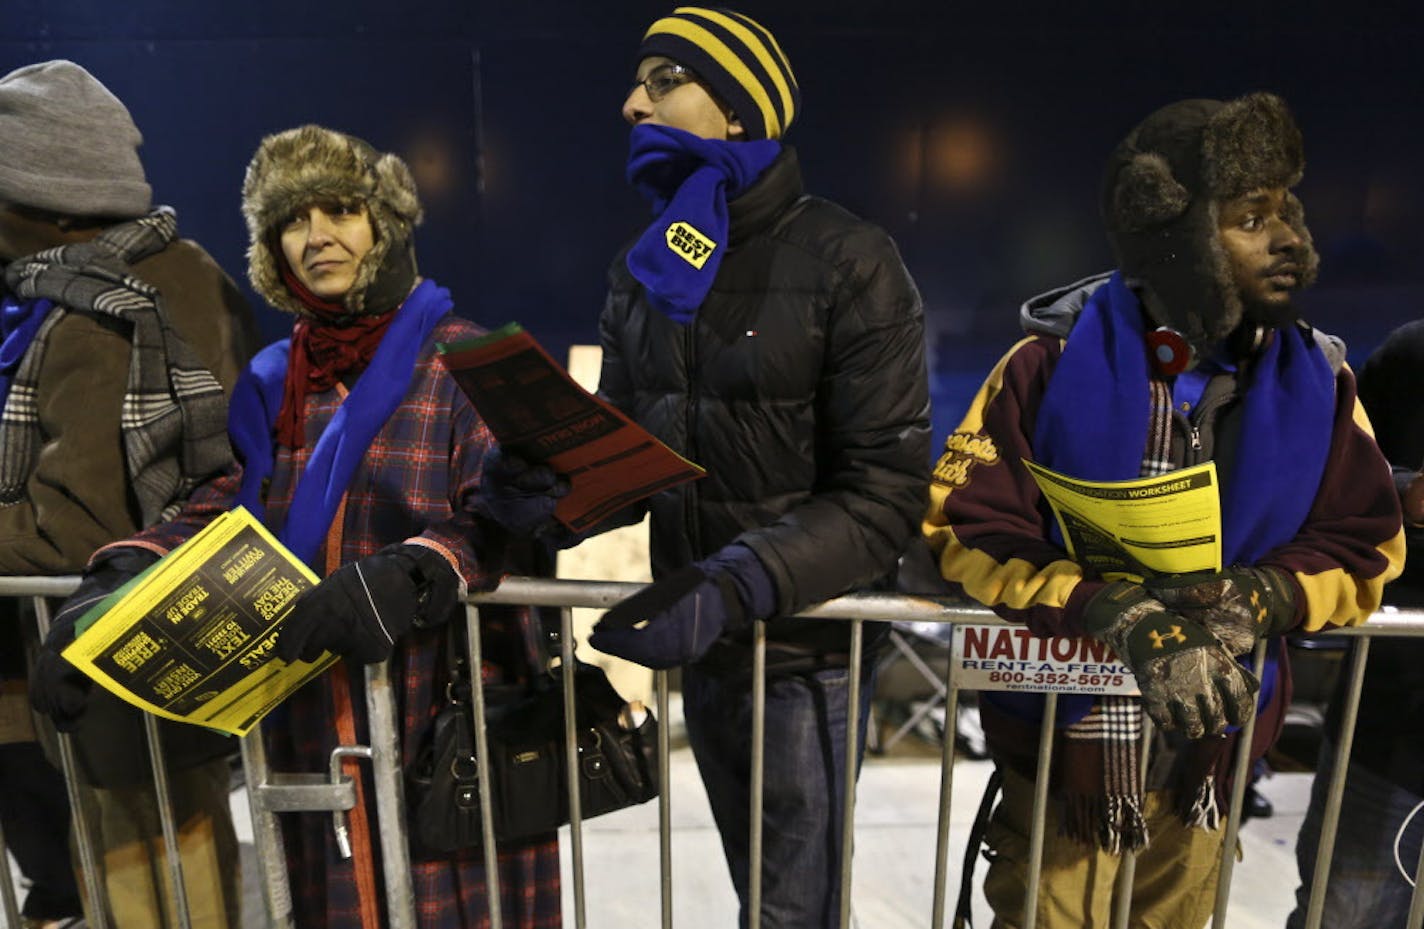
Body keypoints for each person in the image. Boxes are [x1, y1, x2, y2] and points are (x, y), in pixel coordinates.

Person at [30, 124, 563, 927]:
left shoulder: (467, 360)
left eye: (341, 210)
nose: (317, 237)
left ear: (382, 223)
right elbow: (224, 514)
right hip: (314, 721)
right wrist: (115, 586)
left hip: (447, 723)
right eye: (292, 221)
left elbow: (505, 518)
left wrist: (417, 569)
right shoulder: (275, 380)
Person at [479, 9, 930, 927]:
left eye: (661, 80)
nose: (630, 102)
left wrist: (736, 581)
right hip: (710, 637)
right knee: (756, 892)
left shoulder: (850, 260)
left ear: (735, 112)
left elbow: (884, 495)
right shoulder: (643, 271)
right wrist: (553, 491)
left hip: (807, 652)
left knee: (790, 910)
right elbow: (639, 460)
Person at [922, 92, 1404, 928]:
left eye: (1287, 211)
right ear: (1177, 238)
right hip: (1059, 755)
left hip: (1208, 760)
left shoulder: (1322, 382)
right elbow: (967, 525)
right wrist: (1119, 612)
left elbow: (1364, 540)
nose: (1290, 239)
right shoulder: (1045, 364)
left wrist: (1263, 596)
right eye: (1252, 219)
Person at [0, 59, 257, 928]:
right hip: (108, 673)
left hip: (108, 675)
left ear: (43, 200)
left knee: (148, 891)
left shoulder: (108, 311)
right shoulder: (102, 282)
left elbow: (73, 528)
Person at [1284, 319, 1424, 928]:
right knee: (1344, 914)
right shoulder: (1412, 357)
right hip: (1391, 727)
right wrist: (1407, 493)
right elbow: (1326, 483)